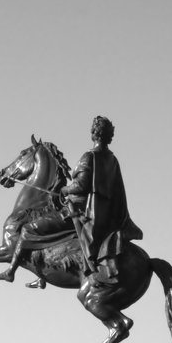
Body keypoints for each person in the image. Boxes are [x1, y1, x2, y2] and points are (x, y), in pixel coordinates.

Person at [58, 115, 142, 287]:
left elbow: (81, 186)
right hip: (109, 211)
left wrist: (64, 189)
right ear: (109, 136)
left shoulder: (89, 156)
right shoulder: (113, 159)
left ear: (94, 134)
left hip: (92, 211)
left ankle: (89, 268)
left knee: (56, 223)